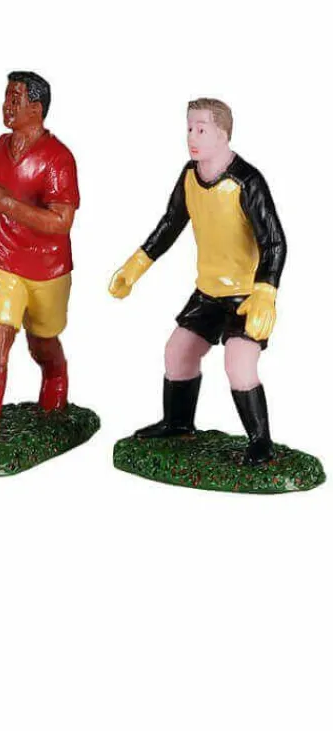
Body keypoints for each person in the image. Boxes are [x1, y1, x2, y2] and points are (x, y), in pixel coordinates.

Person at [109, 97, 286, 464]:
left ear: (223, 134)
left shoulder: (246, 181)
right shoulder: (190, 176)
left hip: (246, 296)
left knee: (239, 365)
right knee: (178, 352)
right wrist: (134, 267)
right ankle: (178, 423)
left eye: (201, 129)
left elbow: (275, 242)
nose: (192, 137)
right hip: (207, 293)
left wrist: (266, 292)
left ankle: (261, 442)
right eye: (189, 128)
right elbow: (170, 224)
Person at [0, 72, 80, 442]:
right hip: (4, 258)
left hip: (47, 267)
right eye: (6, 97)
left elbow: (61, 221)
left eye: (16, 99)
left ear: (36, 108)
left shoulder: (59, 158)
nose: (7, 106)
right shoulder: (1, 146)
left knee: (42, 340)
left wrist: (6, 205)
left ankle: (55, 377)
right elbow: (0, 194)